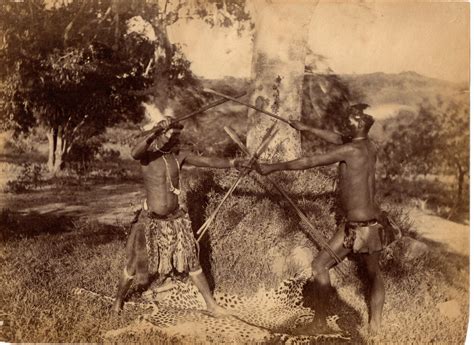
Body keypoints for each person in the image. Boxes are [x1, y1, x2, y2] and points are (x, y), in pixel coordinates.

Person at [255, 104, 399, 335]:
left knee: (328, 267)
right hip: (364, 224)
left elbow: (310, 161)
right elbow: (337, 137)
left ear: (360, 123)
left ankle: (359, 324)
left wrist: (272, 167)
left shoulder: (350, 150)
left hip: (365, 228)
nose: (345, 123)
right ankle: (363, 324)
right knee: (367, 273)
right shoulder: (367, 145)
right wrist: (305, 127)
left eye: (350, 120)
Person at [112, 110, 242, 316]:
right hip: (150, 221)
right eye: (168, 134)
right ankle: (118, 299)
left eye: (175, 135)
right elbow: (133, 153)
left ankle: (211, 305)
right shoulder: (147, 156)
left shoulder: (177, 156)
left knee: (192, 261)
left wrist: (234, 164)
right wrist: (155, 130)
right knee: (134, 263)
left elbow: (207, 162)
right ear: (160, 133)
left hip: (176, 220)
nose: (172, 138)